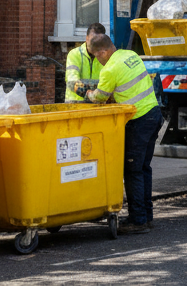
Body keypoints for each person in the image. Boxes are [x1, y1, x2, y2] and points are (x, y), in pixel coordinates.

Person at [86, 34, 161, 233]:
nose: (97, 60)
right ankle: (147, 216)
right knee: (143, 168)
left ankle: (138, 221)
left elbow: (100, 98)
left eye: (96, 56)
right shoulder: (131, 55)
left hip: (138, 121)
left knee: (133, 170)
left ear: (103, 52)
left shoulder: (109, 69)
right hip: (154, 114)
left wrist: (88, 93)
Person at [65, 23, 108, 103]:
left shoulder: (105, 57)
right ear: (86, 38)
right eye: (92, 40)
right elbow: (72, 82)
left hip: (97, 104)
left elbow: (108, 84)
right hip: (75, 104)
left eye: (98, 41)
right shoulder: (74, 54)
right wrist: (93, 93)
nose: (94, 44)